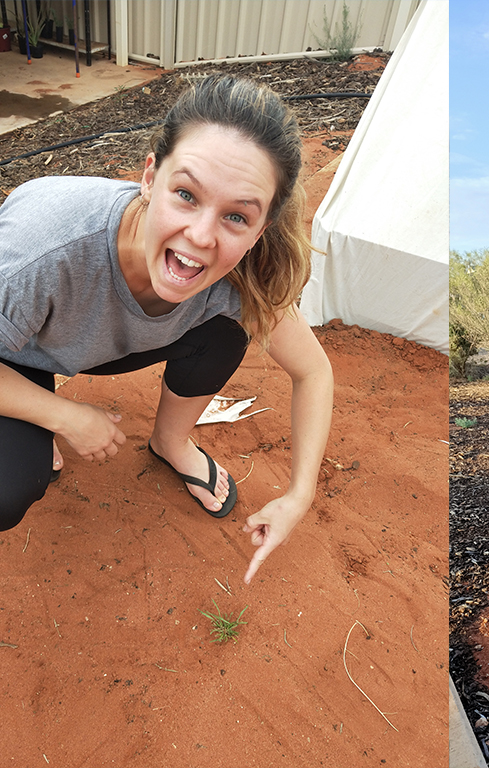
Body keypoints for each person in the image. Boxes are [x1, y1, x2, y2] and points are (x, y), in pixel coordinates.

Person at [0, 74, 333, 584]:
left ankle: (170, 441)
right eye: (186, 194)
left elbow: (313, 373)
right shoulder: (42, 248)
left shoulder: (244, 271)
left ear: (261, 227)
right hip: (17, 348)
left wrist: (298, 495)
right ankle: (33, 416)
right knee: (7, 487)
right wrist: (64, 416)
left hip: (94, 342)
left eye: (236, 217)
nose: (201, 236)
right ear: (150, 177)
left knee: (229, 327)